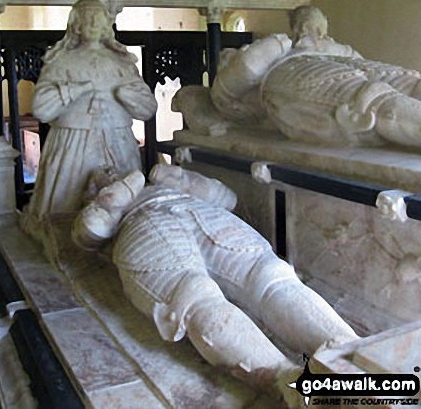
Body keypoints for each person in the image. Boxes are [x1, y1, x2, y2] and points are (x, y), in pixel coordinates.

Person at [73, 164, 358, 407]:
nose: (112, 171)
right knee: (193, 294)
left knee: (270, 275)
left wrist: (183, 180)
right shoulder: (105, 207)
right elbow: (88, 235)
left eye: (114, 169)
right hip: (143, 224)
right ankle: (289, 382)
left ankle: (353, 352)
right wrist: (116, 196)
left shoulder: (166, 184)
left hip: (203, 213)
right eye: (104, 175)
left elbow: (226, 198)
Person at [177, 6, 421, 149]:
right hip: (288, 74)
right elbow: (239, 80)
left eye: (320, 29)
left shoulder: (333, 48)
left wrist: (324, 47)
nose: (315, 32)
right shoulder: (270, 56)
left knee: (409, 81)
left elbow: (358, 58)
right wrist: (275, 45)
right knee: (368, 102)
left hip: (337, 64)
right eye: (309, 27)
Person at [25, 0, 157, 219]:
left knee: (124, 206)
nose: (94, 25)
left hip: (118, 140)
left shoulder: (122, 62)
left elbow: (147, 109)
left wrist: (127, 95)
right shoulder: (62, 61)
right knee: (66, 208)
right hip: (73, 143)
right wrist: (73, 90)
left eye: (99, 20)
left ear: (107, 24)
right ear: (76, 25)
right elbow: (41, 108)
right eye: (88, 20)